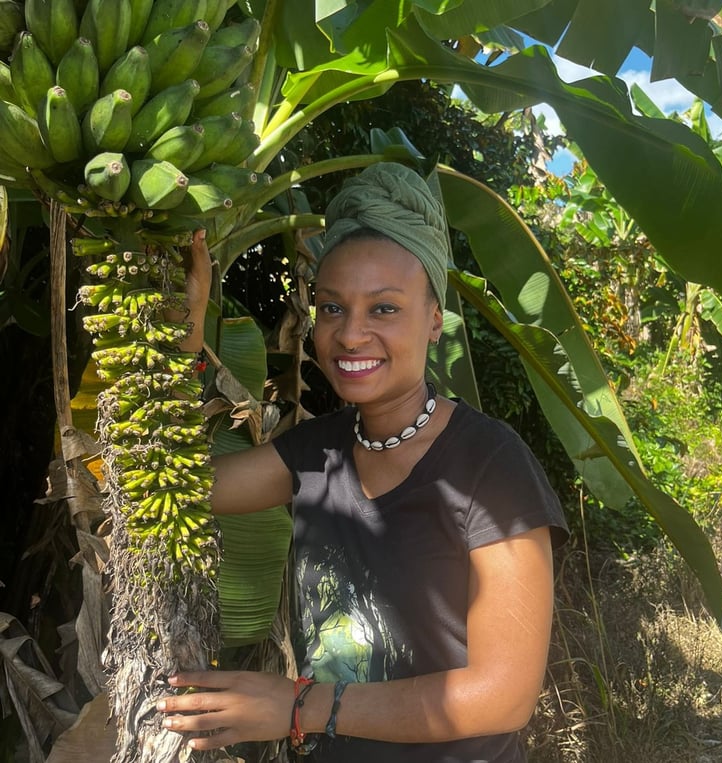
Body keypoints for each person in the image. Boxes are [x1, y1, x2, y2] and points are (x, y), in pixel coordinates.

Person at [157, 162, 569, 762]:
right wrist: (186, 340)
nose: (350, 335)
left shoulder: (490, 466)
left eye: (384, 309)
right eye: (331, 308)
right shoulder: (315, 449)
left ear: (434, 320)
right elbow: (180, 486)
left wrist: (297, 706)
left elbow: (502, 695)